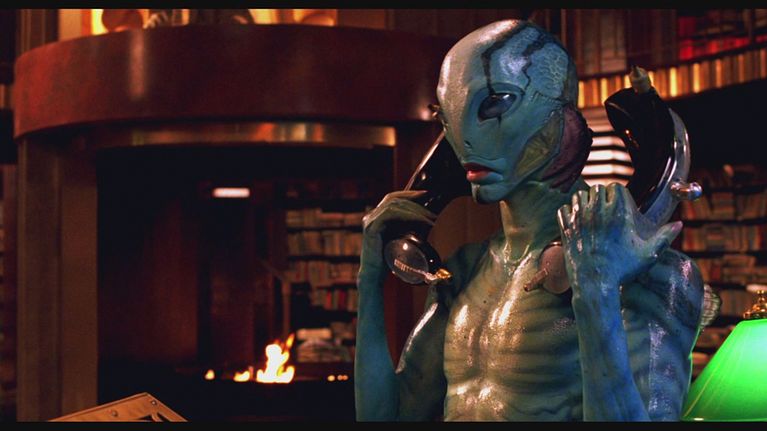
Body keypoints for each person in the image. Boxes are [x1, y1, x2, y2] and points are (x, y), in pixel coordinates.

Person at [354, 19, 705, 421]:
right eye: (447, 118)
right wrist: (369, 281)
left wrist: (597, 293)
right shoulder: (464, 271)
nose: (462, 140)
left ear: (559, 116)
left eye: (495, 104)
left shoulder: (657, 277)